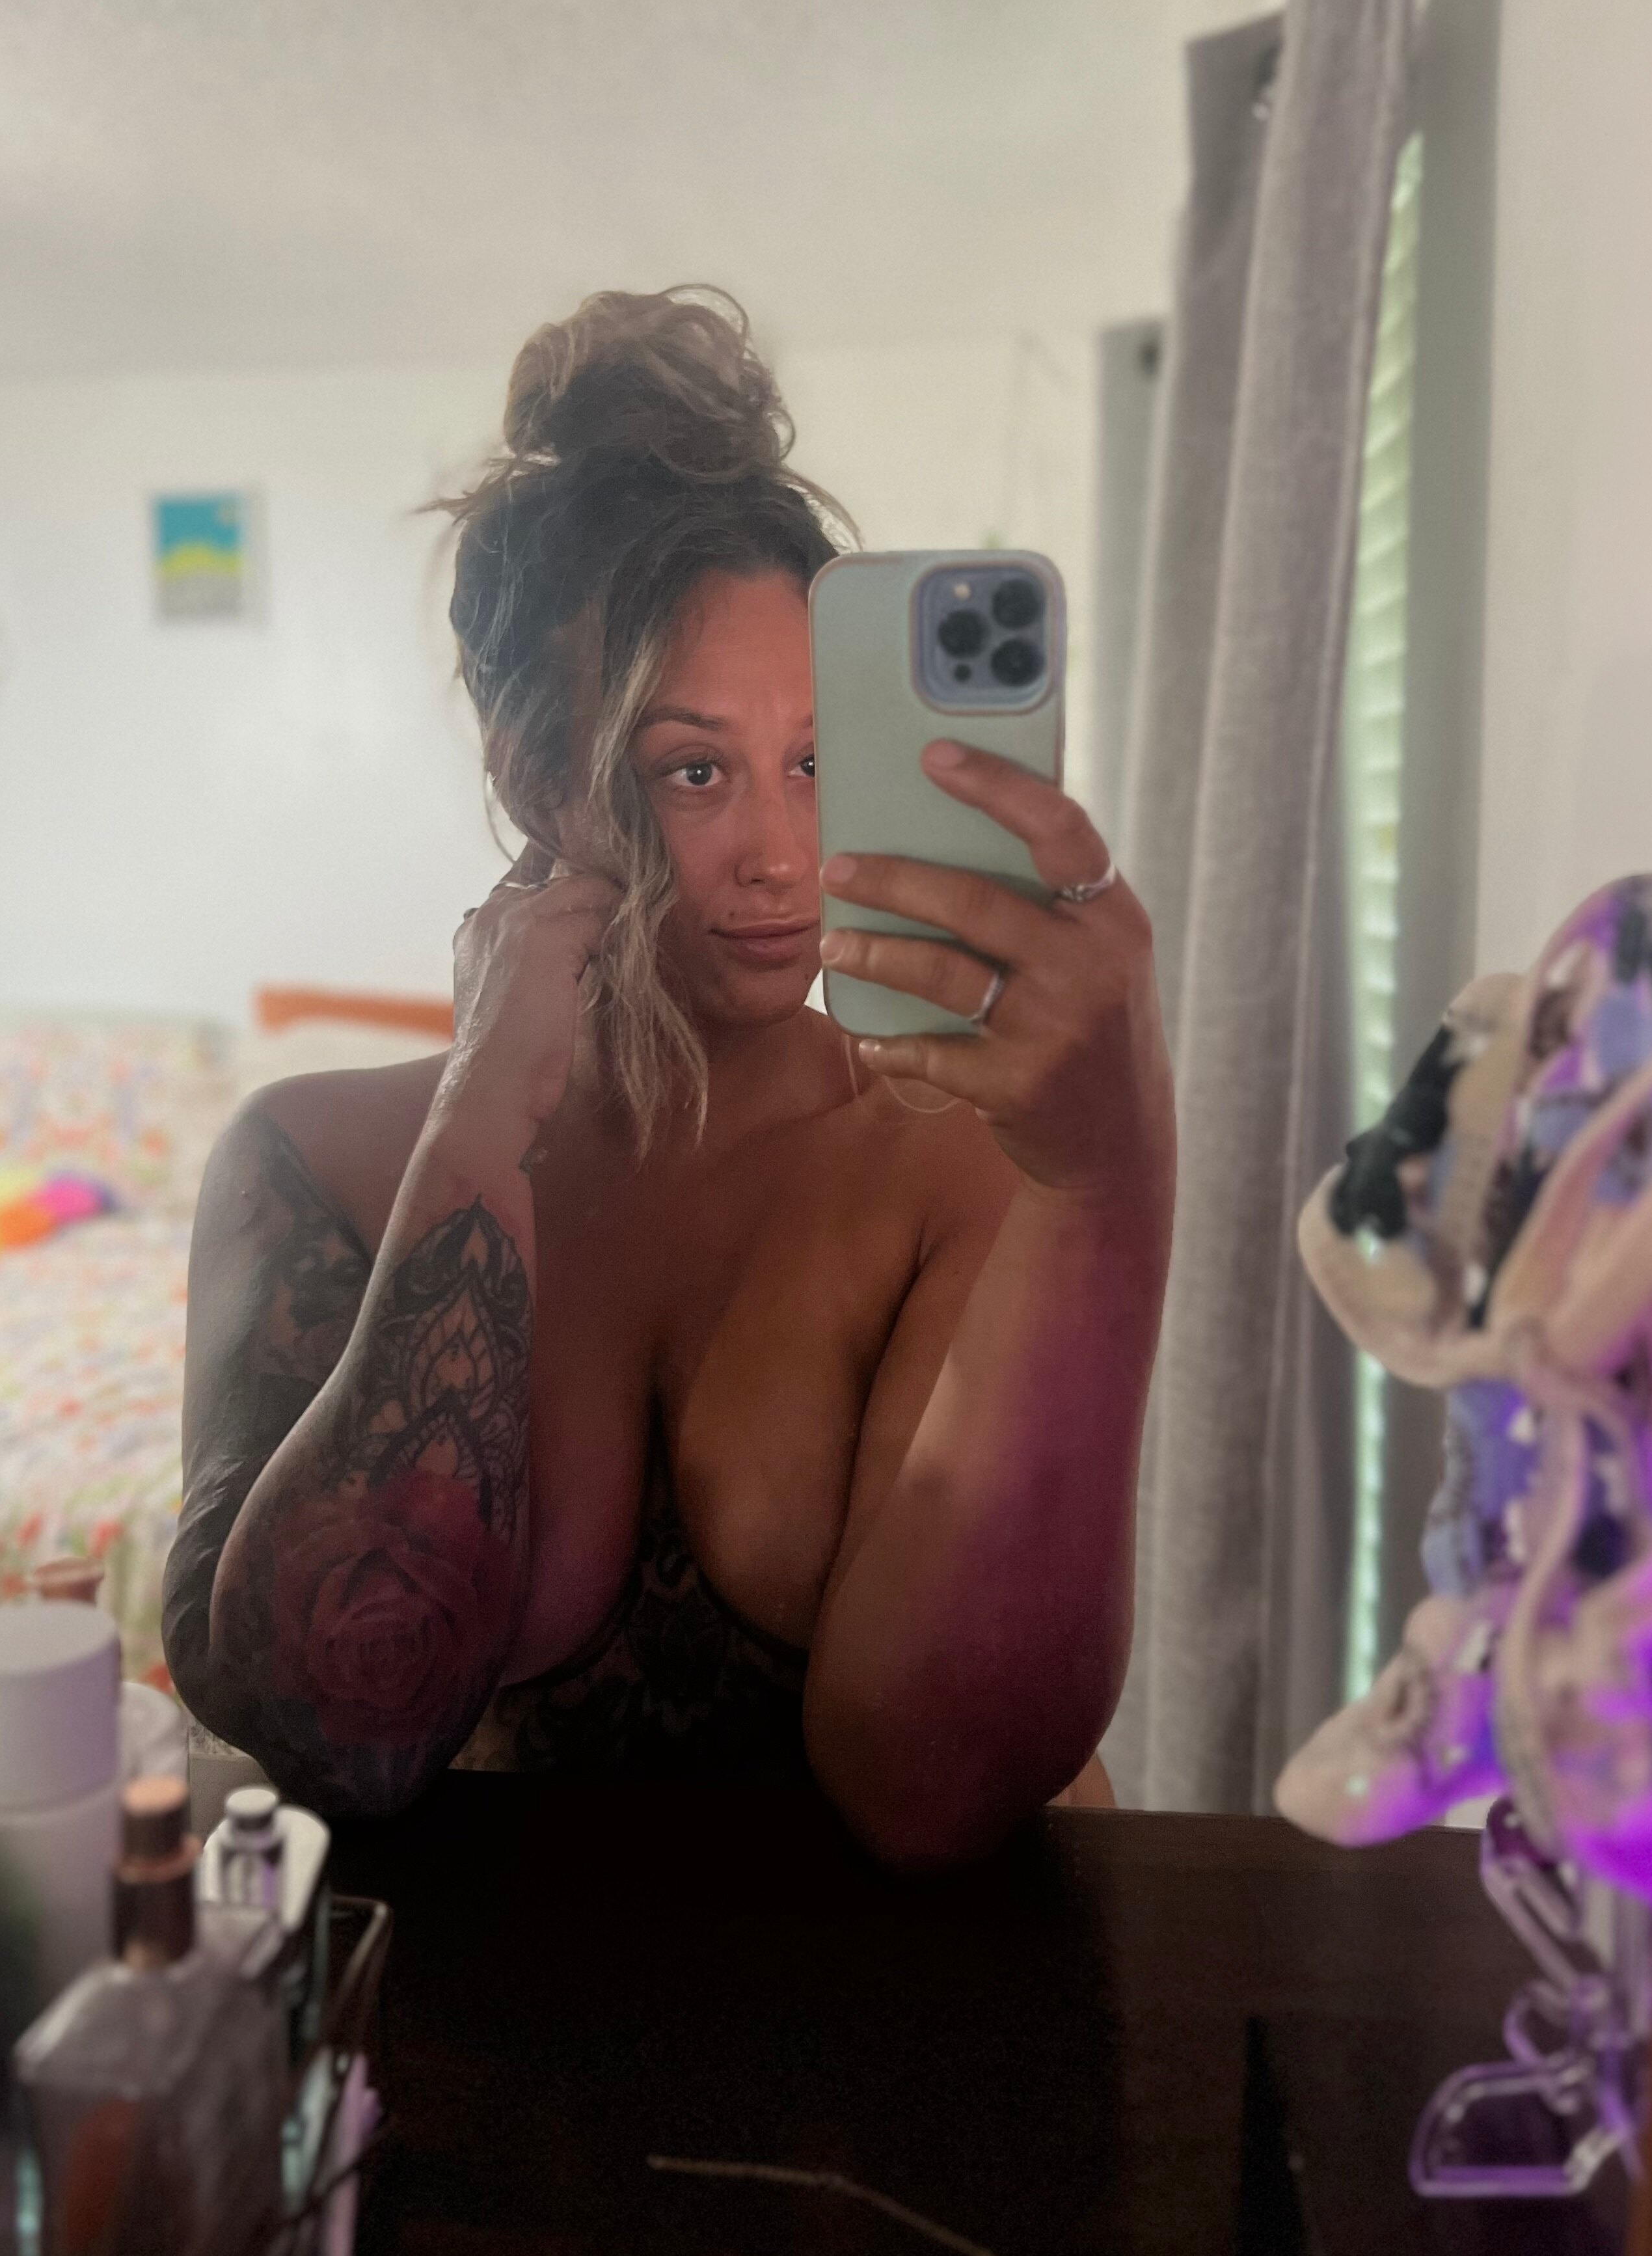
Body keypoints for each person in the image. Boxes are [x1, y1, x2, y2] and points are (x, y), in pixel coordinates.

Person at [163, 288, 1174, 1866]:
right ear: (537, 777)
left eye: (816, 761)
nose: (782, 855)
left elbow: (931, 1788)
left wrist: (1114, 1181)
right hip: (482, 2010)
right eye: (695, 770)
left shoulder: (954, 1155)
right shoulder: (310, 1162)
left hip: (919, 1996)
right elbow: (335, 1735)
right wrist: (477, 1120)